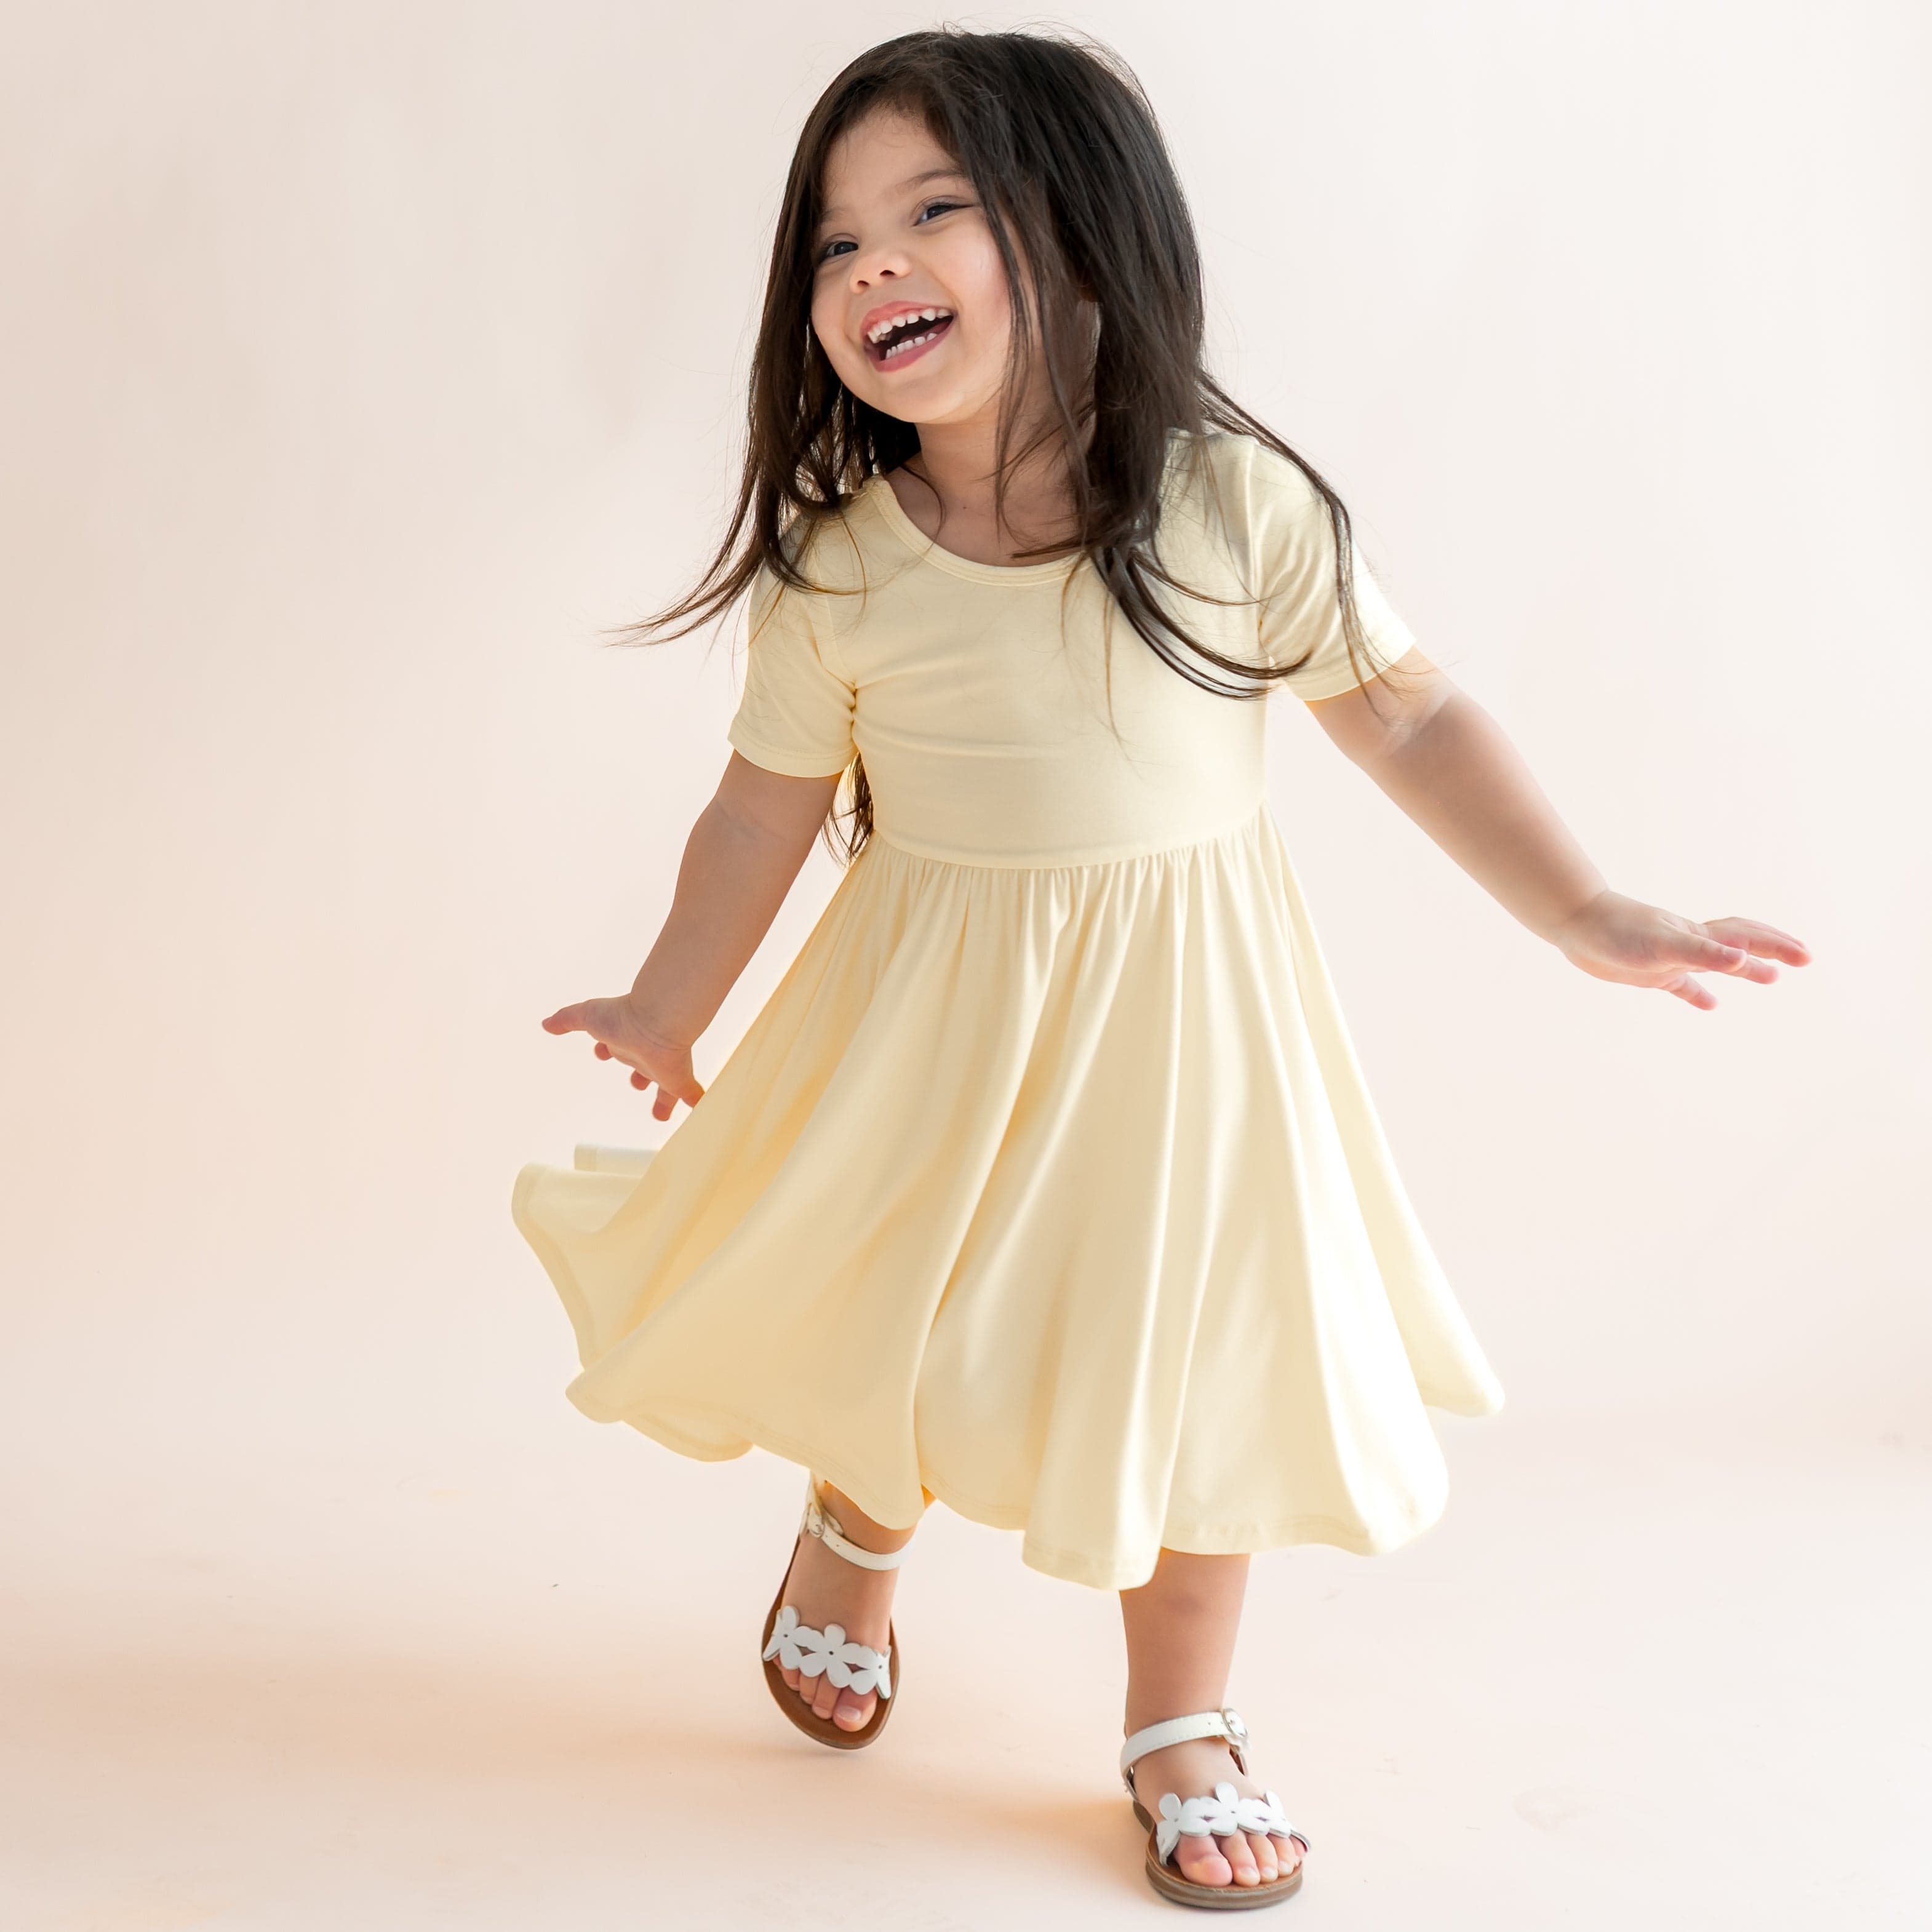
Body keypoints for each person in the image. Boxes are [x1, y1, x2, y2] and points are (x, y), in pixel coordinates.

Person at [510, 28, 1809, 1910]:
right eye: (833, 241)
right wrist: (668, 995)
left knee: (1200, 1370)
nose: (870, 265)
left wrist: (1582, 906)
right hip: (927, 1030)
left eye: (932, 211)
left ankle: (1176, 1724)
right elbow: (757, 810)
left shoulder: (1228, 512)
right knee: (910, 1326)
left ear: (1088, 238)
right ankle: (854, 1527)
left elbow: (1409, 715)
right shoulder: (844, 567)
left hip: (1188, 1040)